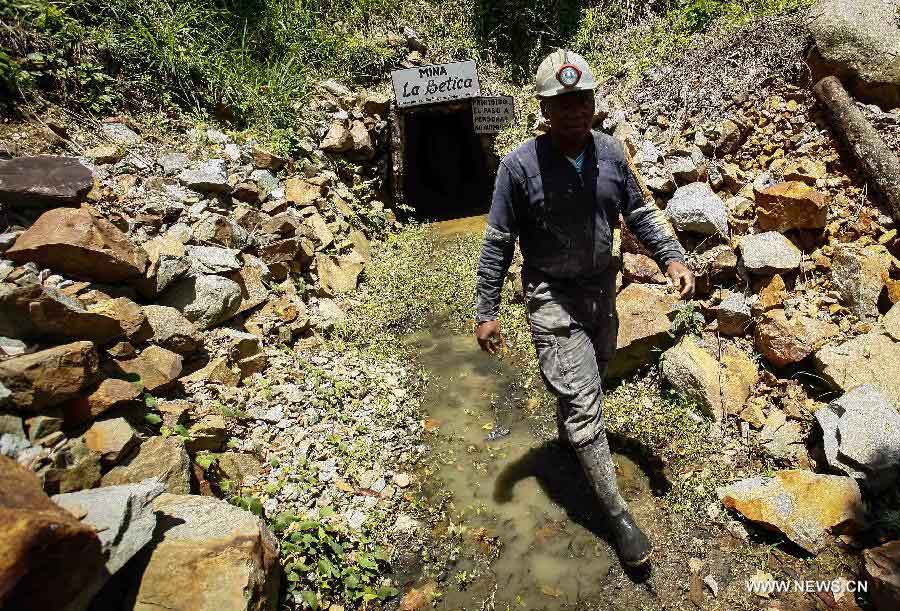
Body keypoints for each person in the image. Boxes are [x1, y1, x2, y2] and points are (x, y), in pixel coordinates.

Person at [474, 49, 695, 568]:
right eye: (561, 103)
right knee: (584, 401)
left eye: (582, 100)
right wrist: (488, 307)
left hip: (600, 291)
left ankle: (572, 440)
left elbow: (637, 212)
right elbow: (498, 240)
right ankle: (618, 517)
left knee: (590, 381)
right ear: (544, 110)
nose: (574, 111)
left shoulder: (613, 154)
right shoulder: (518, 167)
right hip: (550, 296)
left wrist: (672, 257)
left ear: (594, 103)